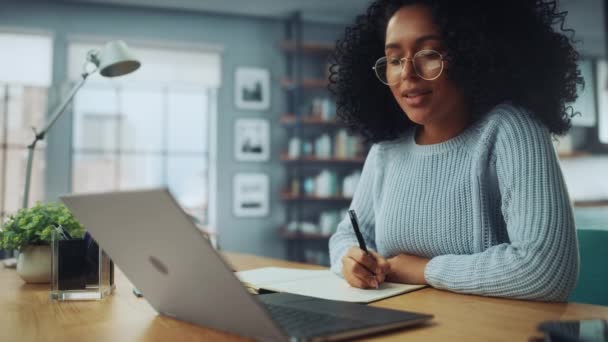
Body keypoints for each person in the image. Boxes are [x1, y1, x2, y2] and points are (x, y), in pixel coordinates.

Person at [328, 0, 581, 301]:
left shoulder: (510, 129)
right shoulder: (387, 150)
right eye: (394, 59)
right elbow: (346, 235)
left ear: (472, 54)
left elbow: (546, 270)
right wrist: (352, 260)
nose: (407, 73)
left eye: (429, 54)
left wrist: (419, 270)